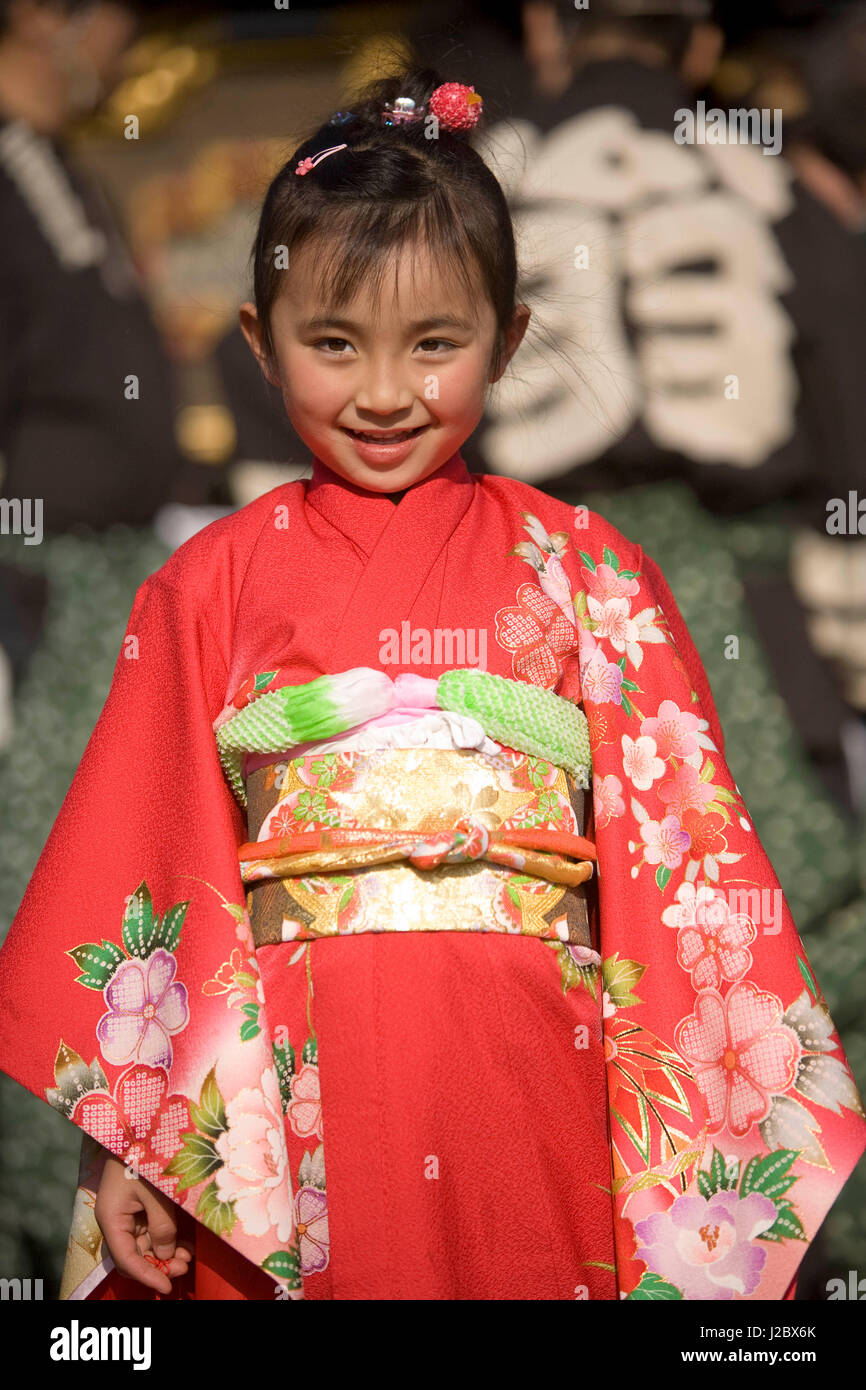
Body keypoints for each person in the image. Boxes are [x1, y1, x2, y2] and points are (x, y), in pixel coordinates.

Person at [0, 65, 863, 1303]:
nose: (387, 391)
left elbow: (687, 876)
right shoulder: (206, 583)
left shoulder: (589, 570)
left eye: (436, 343)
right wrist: (130, 1136)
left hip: (537, 1054)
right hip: (294, 1074)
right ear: (259, 339)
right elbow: (148, 861)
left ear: (506, 340)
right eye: (333, 343)